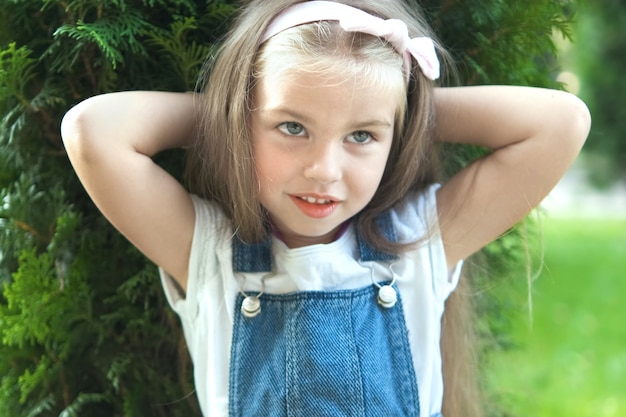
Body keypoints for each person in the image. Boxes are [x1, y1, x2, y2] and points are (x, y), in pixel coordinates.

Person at [60, 0, 591, 416]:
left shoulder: (416, 243)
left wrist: (398, 106)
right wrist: (229, 112)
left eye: (360, 135)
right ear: (244, 121)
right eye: (292, 127)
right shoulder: (210, 254)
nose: (324, 170)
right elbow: (93, 132)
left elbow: (561, 123)